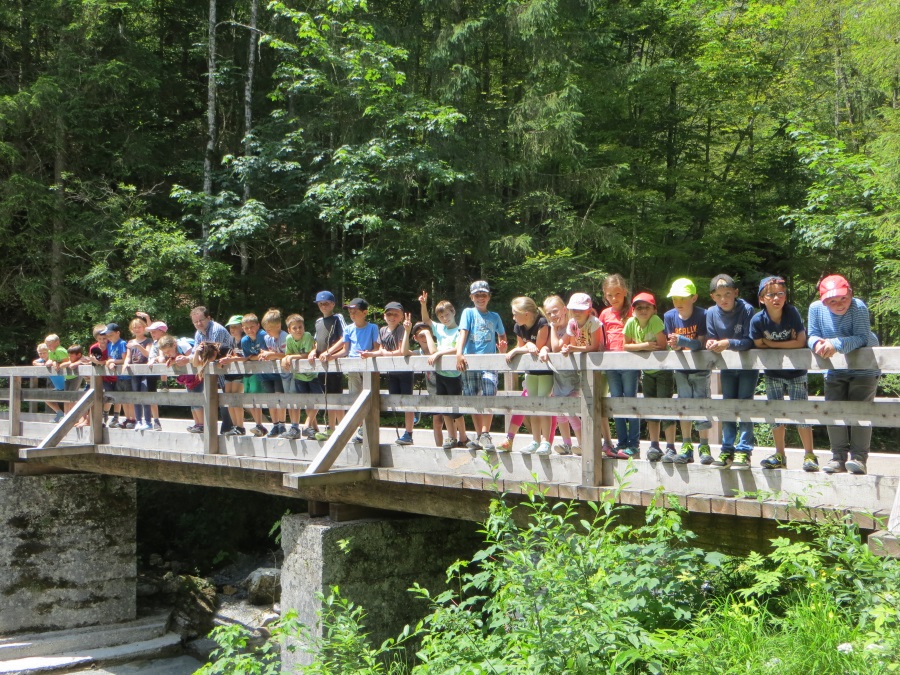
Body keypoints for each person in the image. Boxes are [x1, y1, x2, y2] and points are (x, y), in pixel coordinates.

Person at [807, 274, 880, 475]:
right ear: (824, 300)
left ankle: (859, 458)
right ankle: (837, 458)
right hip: (834, 368)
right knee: (833, 411)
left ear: (850, 294)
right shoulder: (815, 309)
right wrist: (817, 344)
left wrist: (835, 344)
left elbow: (862, 337)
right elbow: (812, 334)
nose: (839, 304)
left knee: (861, 412)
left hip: (864, 368)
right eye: (832, 301)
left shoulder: (859, 307)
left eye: (843, 299)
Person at [749, 276, 817, 471]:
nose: (776, 298)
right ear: (762, 299)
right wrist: (784, 344)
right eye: (771, 295)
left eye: (780, 294)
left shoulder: (792, 313)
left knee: (801, 413)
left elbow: (801, 342)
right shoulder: (758, 320)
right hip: (773, 372)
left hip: (796, 371)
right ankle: (780, 454)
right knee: (775, 413)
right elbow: (757, 344)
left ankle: (809, 455)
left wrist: (771, 343)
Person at [706, 274, 758, 469]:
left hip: (746, 366)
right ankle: (727, 449)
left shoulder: (747, 309)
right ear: (712, 297)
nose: (723, 299)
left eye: (727, 294)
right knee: (728, 406)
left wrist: (728, 343)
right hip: (726, 367)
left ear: (735, 293)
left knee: (745, 404)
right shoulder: (711, 313)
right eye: (718, 295)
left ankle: (744, 450)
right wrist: (711, 343)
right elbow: (711, 337)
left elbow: (749, 341)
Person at [662, 278, 712, 464]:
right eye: (675, 298)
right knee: (684, 405)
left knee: (702, 404)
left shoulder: (703, 315)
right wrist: (675, 345)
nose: (678, 302)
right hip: (681, 369)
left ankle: (704, 445)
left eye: (683, 298)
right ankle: (686, 445)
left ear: (694, 298)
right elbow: (672, 345)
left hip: (700, 368)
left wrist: (682, 341)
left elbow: (700, 343)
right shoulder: (669, 316)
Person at [455, 280, 507, 452]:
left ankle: (485, 433)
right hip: (470, 362)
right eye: (477, 295)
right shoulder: (468, 313)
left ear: (489, 297)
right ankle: (479, 435)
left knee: (489, 393)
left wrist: (503, 348)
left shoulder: (495, 317)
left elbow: (502, 336)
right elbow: (463, 332)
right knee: (472, 398)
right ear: (471, 297)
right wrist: (459, 353)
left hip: (489, 362)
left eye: (484, 295)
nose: (480, 298)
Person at [320, 298, 381, 444]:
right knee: (355, 399)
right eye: (350, 312)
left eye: (355, 312)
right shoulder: (348, 329)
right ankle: (360, 429)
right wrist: (330, 355)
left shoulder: (373, 327)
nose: (352, 315)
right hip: (353, 367)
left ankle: (367, 429)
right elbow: (345, 350)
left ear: (365, 312)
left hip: (368, 367)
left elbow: (377, 348)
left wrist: (368, 353)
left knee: (370, 399)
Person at [623, 292, 669, 460]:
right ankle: (654, 445)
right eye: (639, 307)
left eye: (647, 307)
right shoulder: (630, 322)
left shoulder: (655, 321)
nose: (642, 310)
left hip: (662, 370)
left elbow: (662, 345)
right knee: (650, 409)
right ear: (633, 310)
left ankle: (670, 446)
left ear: (654, 310)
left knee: (665, 407)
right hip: (647, 371)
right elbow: (625, 345)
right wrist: (646, 345)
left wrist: (640, 347)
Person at [419, 292, 467, 450]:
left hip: (454, 375)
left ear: (453, 312)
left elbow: (457, 348)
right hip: (441, 375)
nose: (445, 319)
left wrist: (439, 353)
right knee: (445, 408)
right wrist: (423, 304)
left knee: (456, 408)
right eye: (441, 317)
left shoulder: (460, 329)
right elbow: (426, 321)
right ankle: (451, 437)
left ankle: (464, 437)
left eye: (447, 315)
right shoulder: (439, 328)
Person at [505, 297, 552, 454]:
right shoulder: (519, 327)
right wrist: (525, 346)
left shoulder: (542, 323)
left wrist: (522, 348)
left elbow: (537, 348)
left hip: (545, 371)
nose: (513, 318)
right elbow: (523, 347)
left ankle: (546, 442)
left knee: (543, 406)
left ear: (526, 314)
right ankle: (535, 440)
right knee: (533, 407)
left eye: (515, 314)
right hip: (530, 373)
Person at [599, 275, 639, 456]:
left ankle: (634, 444)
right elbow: (601, 338)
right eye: (609, 295)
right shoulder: (605, 314)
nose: (614, 299)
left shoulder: (633, 311)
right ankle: (621, 443)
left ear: (624, 292)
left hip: (629, 362)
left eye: (617, 294)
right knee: (616, 401)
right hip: (610, 363)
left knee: (630, 400)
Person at [366, 302, 415, 446]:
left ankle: (409, 433)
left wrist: (385, 353)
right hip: (392, 371)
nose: (392, 317)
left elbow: (401, 351)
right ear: (384, 316)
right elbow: (380, 349)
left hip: (404, 370)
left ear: (400, 316)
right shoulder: (382, 330)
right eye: (389, 314)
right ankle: (408, 427)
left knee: (408, 403)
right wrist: (369, 354)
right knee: (394, 400)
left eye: (395, 314)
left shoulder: (401, 330)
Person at [541, 295, 583, 455]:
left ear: (564, 310)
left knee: (570, 412)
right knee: (560, 413)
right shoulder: (554, 329)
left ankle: (583, 443)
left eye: (555, 311)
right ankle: (567, 443)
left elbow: (557, 348)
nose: (552, 316)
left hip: (572, 378)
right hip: (558, 379)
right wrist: (544, 349)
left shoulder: (571, 326)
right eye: (548, 313)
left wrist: (552, 328)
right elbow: (548, 347)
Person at [308, 291, 346, 441]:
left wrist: (329, 352)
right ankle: (331, 428)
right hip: (322, 365)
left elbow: (345, 337)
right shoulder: (318, 322)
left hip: (335, 362)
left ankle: (342, 428)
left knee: (336, 396)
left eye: (326, 303)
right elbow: (318, 341)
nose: (324, 306)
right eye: (321, 304)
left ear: (333, 304)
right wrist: (313, 351)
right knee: (327, 397)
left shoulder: (338, 318)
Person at [280, 313, 324, 440]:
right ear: (289, 330)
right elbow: (287, 354)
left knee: (318, 399)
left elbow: (307, 354)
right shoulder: (288, 339)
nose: (298, 330)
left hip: (312, 375)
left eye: (300, 327)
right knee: (306, 403)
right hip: (299, 376)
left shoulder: (308, 336)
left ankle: (306, 426)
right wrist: (286, 358)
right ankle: (313, 429)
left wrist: (291, 357)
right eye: (294, 328)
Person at [237, 313, 270, 437]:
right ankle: (259, 425)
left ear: (258, 325)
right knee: (250, 399)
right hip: (251, 372)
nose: (249, 330)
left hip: (264, 373)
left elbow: (264, 356)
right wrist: (252, 357)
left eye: (252, 327)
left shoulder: (263, 336)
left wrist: (252, 357)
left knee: (258, 399)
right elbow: (248, 358)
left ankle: (269, 424)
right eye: (246, 328)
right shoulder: (244, 340)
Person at [259, 308, 289, 438]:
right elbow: (268, 353)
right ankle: (275, 424)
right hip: (271, 372)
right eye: (265, 329)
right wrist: (264, 356)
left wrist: (272, 354)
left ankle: (282, 424)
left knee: (280, 397)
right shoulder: (267, 338)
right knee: (271, 399)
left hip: (283, 373)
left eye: (270, 329)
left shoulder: (285, 337)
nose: (267, 331)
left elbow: (287, 355)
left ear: (278, 325)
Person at [219, 315, 248, 437]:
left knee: (236, 399)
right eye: (231, 327)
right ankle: (234, 425)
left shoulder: (245, 340)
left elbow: (247, 357)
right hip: (230, 372)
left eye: (235, 326)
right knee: (228, 399)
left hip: (240, 373)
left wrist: (231, 359)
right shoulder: (230, 340)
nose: (233, 329)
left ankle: (240, 426)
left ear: (242, 327)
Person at [104, 323, 137, 429]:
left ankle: (133, 419)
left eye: (111, 334)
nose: (109, 337)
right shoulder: (109, 345)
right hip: (119, 377)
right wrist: (110, 363)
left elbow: (124, 359)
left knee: (129, 399)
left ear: (118, 333)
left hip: (127, 376)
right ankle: (127, 418)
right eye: (107, 335)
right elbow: (110, 358)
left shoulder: (122, 343)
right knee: (122, 399)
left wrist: (113, 361)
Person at [123, 318, 153, 430]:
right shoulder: (130, 343)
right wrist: (126, 364)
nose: (137, 329)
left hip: (145, 371)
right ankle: (138, 421)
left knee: (145, 395)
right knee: (136, 396)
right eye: (134, 327)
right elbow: (128, 356)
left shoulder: (148, 341)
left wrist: (138, 346)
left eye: (139, 327)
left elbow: (148, 354)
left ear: (144, 328)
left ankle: (148, 422)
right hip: (135, 372)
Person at [33, 342, 64, 421]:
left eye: (44, 353)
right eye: (40, 353)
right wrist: (42, 364)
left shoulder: (53, 357)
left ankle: (67, 417)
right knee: (46, 398)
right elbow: (34, 362)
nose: (42, 355)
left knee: (68, 401)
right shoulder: (43, 360)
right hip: (55, 384)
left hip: (64, 382)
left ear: (48, 352)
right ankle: (60, 413)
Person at [58, 345, 89, 426]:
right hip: (74, 380)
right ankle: (68, 417)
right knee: (68, 398)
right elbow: (61, 365)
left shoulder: (84, 359)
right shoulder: (73, 360)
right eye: (69, 355)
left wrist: (73, 363)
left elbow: (72, 366)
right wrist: (70, 361)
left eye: (71, 356)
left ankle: (76, 418)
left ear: (78, 355)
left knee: (73, 399)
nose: (69, 357)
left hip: (83, 380)